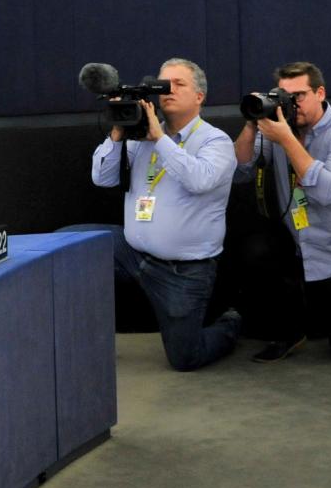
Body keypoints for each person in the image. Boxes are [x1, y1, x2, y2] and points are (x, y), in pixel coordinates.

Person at [78, 58, 241, 371]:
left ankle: (231, 325)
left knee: (185, 358)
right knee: (69, 246)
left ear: (200, 97)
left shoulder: (215, 141)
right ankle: (80, 340)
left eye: (178, 84)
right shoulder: (141, 136)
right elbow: (103, 178)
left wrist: (160, 139)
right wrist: (117, 130)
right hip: (133, 252)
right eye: (163, 84)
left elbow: (199, 180)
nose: (168, 90)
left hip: (183, 270)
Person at [233, 61, 331, 363]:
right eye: (284, 96)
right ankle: (289, 329)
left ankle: (322, 319)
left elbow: (326, 191)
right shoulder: (278, 129)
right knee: (255, 249)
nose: (291, 104)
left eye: (298, 95)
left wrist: (285, 139)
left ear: (320, 93)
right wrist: (251, 122)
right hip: (296, 247)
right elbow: (240, 170)